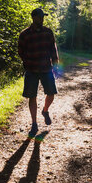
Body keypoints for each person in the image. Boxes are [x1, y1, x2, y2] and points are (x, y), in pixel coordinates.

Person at [18, 8, 59, 137]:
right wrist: (27, 62)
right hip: (31, 70)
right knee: (32, 96)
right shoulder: (24, 34)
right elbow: (21, 51)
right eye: (40, 17)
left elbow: (53, 48)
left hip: (47, 68)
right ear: (33, 17)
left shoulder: (47, 32)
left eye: (43, 17)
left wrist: (56, 64)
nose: (42, 19)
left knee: (51, 93)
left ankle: (45, 111)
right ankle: (34, 123)